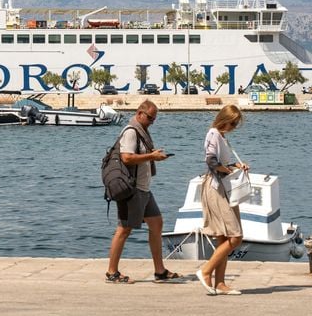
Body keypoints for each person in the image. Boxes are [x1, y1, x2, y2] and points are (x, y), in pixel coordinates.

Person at [106, 100, 180, 284]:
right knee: (124, 229)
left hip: (144, 189)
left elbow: (137, 155)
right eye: (149, 117)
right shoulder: (131, 131)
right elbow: (127, 157)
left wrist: (153, 154)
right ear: (140, 113)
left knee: (156, 224)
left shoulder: (142, 132)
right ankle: (112, 272)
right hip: (132, 189)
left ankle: (160, 271)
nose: (152, 121)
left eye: (154, 119)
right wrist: (152, 156)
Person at [195, 104, 249, 295]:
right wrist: (227, 170)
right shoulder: (213, 134)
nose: (234, 127)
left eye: (236, 124)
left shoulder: (222, 137)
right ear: (224, 119)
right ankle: (205, 270)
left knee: (224, 239)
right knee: (236, 237)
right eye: (232, 123)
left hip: (224, 188)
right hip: (216, 188)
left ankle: (220, 283)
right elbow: (210, 161)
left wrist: (237, 165)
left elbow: (222, 161)